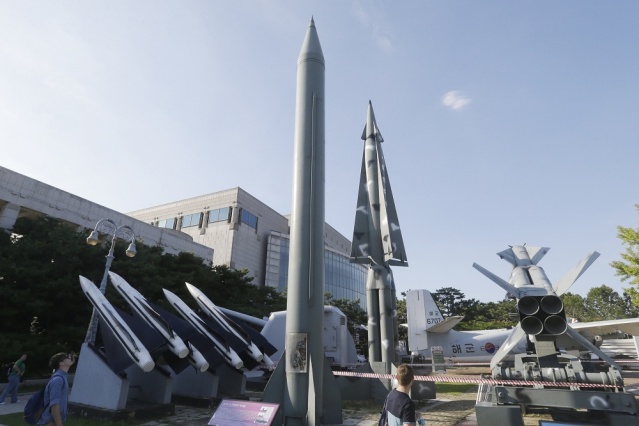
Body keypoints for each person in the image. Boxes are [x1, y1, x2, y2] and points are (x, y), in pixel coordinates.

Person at [37, 352, 75, 426]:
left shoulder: (63, 377)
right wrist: (59, 423)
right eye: (67, 357)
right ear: (61, 363)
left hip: (53, 421)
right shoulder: (58, 380)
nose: (70, 358)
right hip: (50, 422)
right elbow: (54, 404)